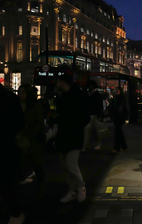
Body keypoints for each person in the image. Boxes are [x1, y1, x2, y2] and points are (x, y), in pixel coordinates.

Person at [0, 68, 25, 224]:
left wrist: (2, 131)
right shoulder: (7, 97)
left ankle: (16, 213)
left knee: (4, 183)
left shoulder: (8, 98)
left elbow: (18, 123)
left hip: (2, 147)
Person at [54, 73, 90, 203]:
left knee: (71, 163)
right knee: (65, 165)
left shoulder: (78, 96)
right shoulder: (62, 96)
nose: (56, 84)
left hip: (74, 135)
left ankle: (81, 186)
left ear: (63, 82)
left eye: (58, 81)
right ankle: (72, 189)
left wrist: (73, 125)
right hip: (63, 135)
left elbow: (86, 117)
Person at [17, 84, 45, 196]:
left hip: (32, 139)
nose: (21, 94)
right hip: (21, 138)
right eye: (19, 91)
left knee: (36, 164)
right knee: (22, 161)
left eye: (23, 91)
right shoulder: (18, 105)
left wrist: (27, 131)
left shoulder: (35, 106)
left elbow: (40, 124)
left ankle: (40, 186)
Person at [84, 80, 104, 150]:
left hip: (93, 114)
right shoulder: (96, 94)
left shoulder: (89, 94)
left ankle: (85, 146)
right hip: (93, 114)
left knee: (92, 131)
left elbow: (100, 106)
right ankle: (96, 144)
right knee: (93, 131)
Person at [111, 86, 129, 153]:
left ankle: (117, 147)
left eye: (117, 90)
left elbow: (126, 108)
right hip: (117, 117)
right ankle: (123, 146)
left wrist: (127, 118)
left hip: (121, 117)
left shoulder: (122, 99)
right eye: (116, 90)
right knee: (119, 132)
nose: (116, 91)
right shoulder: (116, 98)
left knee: (118, 132)